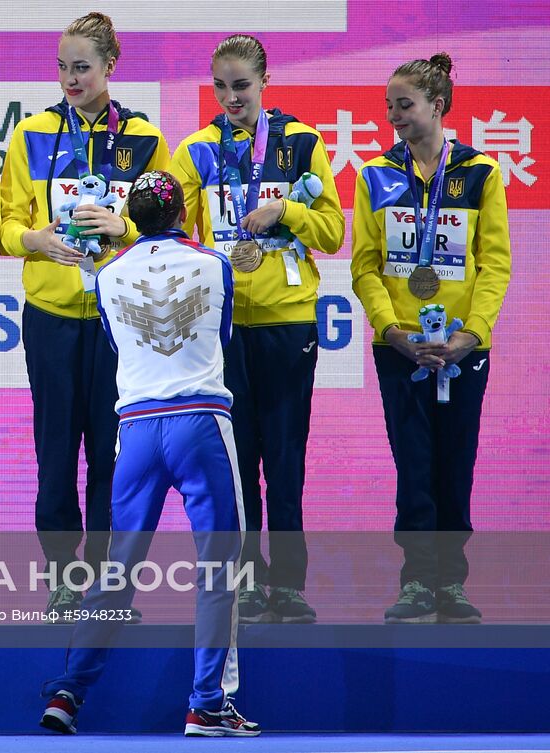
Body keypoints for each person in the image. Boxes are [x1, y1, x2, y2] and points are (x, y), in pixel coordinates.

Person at [38, 171, 258, 738]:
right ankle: (207, 704)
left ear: (131, 216)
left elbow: (117, 342)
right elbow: (224, 335)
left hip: (135, 430)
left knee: (115, 570)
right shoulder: (216, 264)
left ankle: (68, 692)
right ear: (182, 210)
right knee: (218, 568)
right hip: (200, 422)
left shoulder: (107, 274)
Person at [0, 12, 169, 617]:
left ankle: (107, 576)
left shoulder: (146, 139)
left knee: (110, 450)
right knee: (54, 449)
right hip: (49, 314)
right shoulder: (30, 134)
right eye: (63, 67)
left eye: (83, 67)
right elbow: (3, 226)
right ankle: (61, 575)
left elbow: (170, 226)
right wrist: (35, 241)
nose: (71, 78)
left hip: (119, 319)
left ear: (110, 66)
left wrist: (124, 226)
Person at [171, 34, 345, 624]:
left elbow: (331, 232)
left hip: (287, 323)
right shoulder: (195, 149)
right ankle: (244, 580)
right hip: (220, 330)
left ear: (264, 81)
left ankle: (289, 586)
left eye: (241, 84)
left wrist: (285, 211)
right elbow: (175, 235)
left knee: (285, 458)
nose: (230, 97)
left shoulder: (301, 142)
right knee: (234, 463)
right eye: (220, 86)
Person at [351, 54, 510, 624]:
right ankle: (417, 581)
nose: (392, 115)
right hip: (400, 349)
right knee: (413, 463)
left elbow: (495, 265)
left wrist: (472, 334)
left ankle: (452, 585)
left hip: (464, 350)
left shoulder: (480, 172)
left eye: (404, 104)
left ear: (436, 105)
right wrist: (390, 331)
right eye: (389, 105)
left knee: (456, 462)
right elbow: (365, 265)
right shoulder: (375, 175)